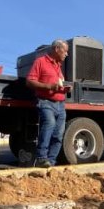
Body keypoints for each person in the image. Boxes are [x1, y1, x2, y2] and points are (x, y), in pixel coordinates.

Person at [26, 39, 69, 167]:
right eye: (65, 51)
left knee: (58, 134)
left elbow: (57, 85)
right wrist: (49, 86)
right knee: (49, 124)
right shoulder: (40, 61)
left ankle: (51, 161)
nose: (66, 54)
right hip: (46, 102)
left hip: (60, 104)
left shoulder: (58, 66)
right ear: (56, 49)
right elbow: (29, 81)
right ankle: (41, 158)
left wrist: (64, 89)